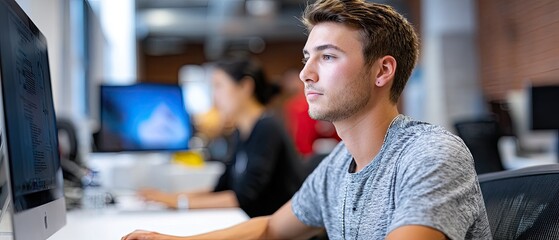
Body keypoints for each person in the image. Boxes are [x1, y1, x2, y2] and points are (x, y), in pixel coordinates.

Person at [123, 0, 491, 239]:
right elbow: (269, 228)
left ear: (382, 71)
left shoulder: (430, 155)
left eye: (327, 57)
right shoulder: (336, 165)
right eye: (306, 57)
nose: (304, 74)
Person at [137, 56, 305, 218]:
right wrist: (169, 197)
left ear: (245, 86)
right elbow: (221, 188)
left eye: (219, 86)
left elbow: (242, 198)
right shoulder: (241, 132)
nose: (215, 97)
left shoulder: (267, 127)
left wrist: (179, 202)